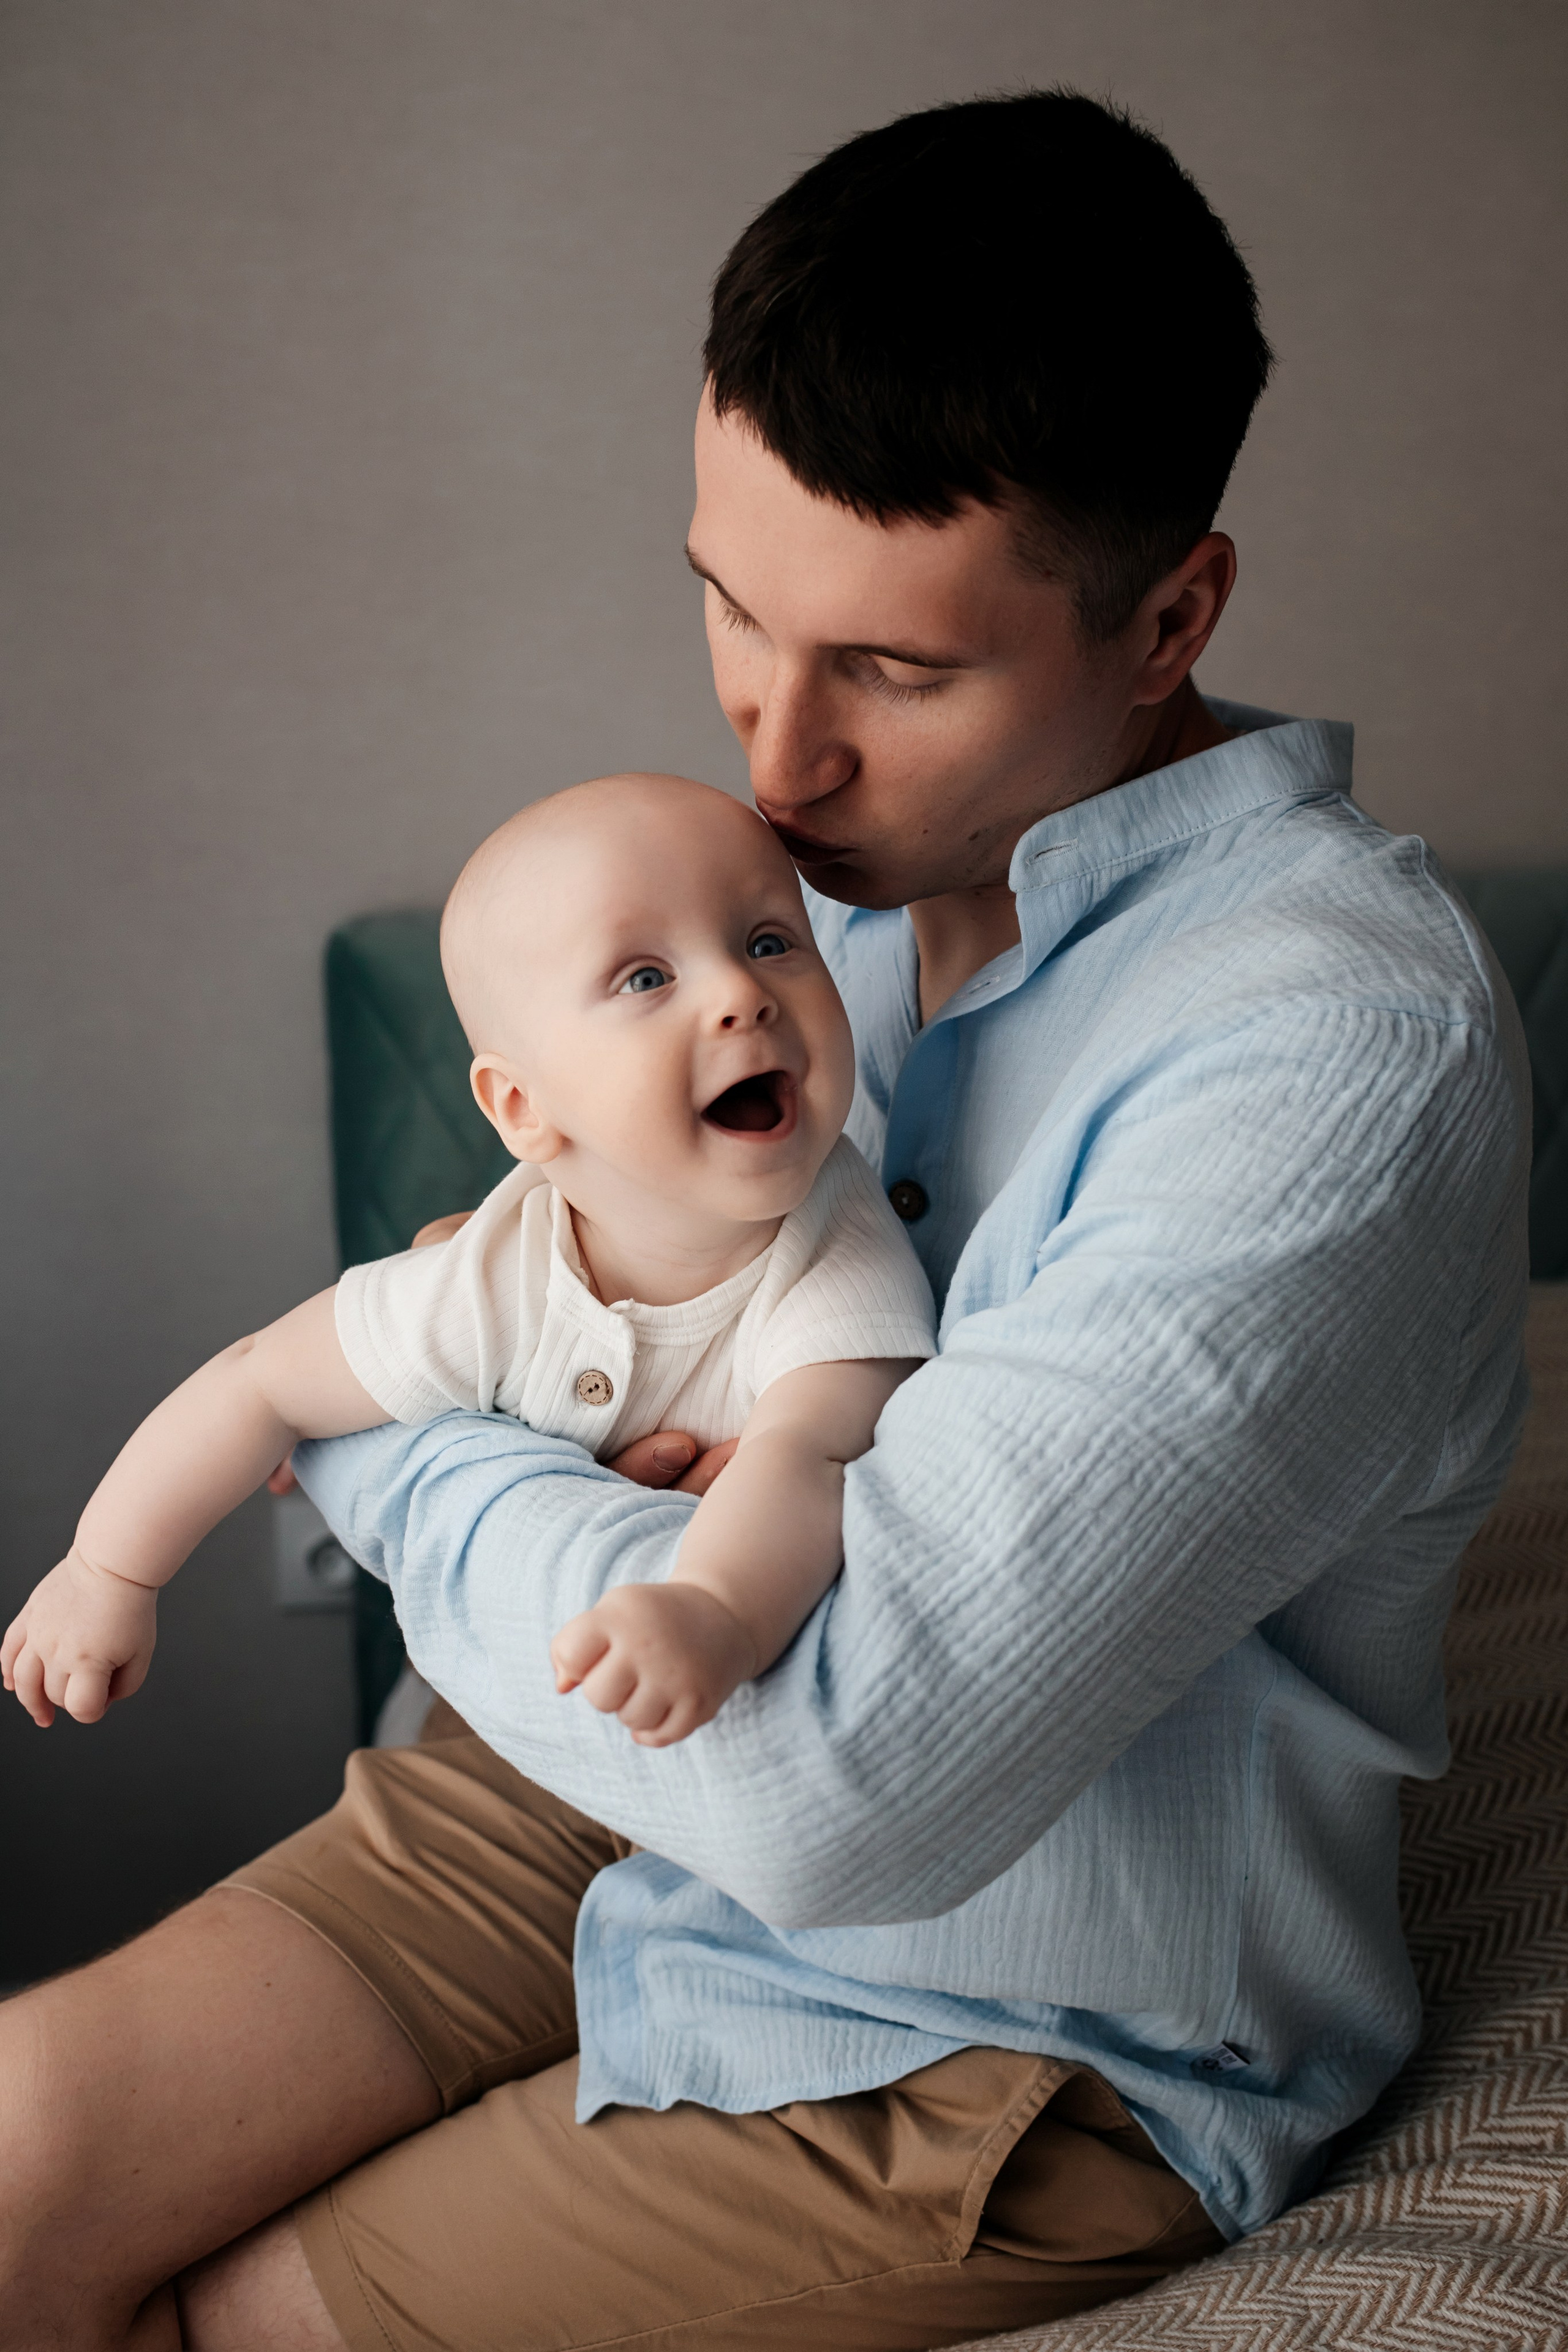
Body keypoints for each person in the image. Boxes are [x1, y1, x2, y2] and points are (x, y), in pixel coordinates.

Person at [0, 88, 1529, 2352]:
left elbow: (836, 1792)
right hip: (590, 1799)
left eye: (898, 675)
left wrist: (387, 1428)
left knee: (227, 2320)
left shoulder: (1329, 1054)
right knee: (22, 2166)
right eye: (729, 606)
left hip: (1012, 2031)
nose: (777, 764)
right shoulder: (819, 915)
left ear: (1169, 614)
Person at [2, 775, 933, 1751]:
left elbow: (803, 1461)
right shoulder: (485, 1279)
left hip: (718, 1709)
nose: (742, 994)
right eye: (645, 978)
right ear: (524, 1108)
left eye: (770, 943)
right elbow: (256, 1386)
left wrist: (715, 1615)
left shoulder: (837, 1257)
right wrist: (107, 1572)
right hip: (499, 1706)